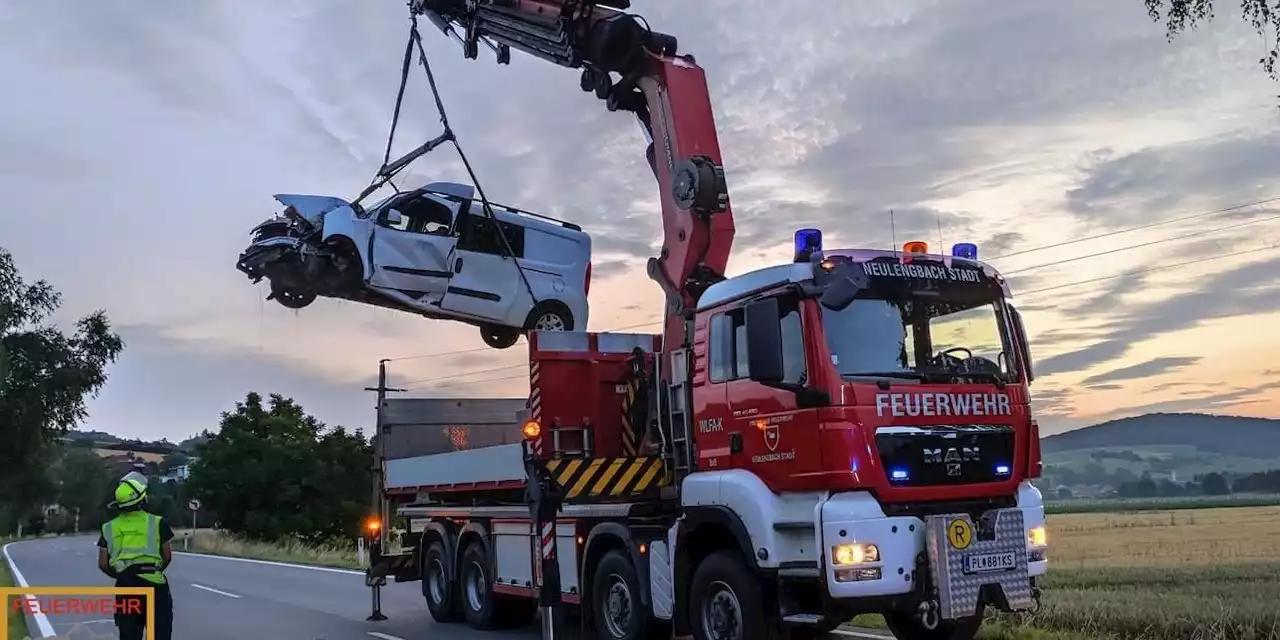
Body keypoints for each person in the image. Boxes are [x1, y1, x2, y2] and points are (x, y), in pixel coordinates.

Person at [96, 472, 174, 640]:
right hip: (154, 584)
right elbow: (167, 555)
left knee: (129, 634)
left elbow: (103, 563)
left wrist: (122, 575)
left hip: (126, 586)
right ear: (141, 499)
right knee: (160, 633)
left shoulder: (108, 527)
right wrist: (155, 570)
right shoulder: (157, 522)